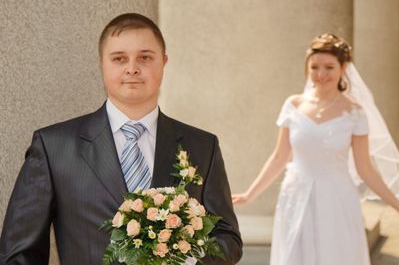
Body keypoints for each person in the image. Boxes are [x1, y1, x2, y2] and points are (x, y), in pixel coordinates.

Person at [0, 13, 242, 265]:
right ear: (102, 63)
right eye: (119, 59)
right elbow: (19, 253)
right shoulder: (54, 147)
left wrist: (185, 259)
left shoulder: (203, 146)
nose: (132, 68)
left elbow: (227, 238)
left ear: (164, 62)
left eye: (145, 57)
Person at [232, 33, 399, 265]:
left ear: (343, 67)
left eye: (329, 67)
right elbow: (279, 157)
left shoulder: (355, 113)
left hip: (336, 197)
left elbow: (365, 169)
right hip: (295, 195)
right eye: (314, 67)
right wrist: (250, 194)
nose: (321, 74)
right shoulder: (293, 105)